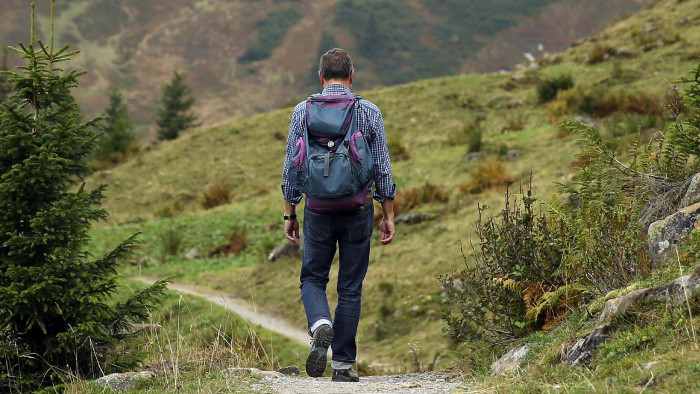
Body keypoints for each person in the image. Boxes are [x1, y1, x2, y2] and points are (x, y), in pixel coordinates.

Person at [281, 48, 396, 382]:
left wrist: (290, 214)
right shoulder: (368, 111)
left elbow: (292, 166)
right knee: (350, 286)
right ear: (352, 75)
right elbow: (383, 168)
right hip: (358, 209)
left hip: (317, 210)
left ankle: (320, 323)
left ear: (320, 77)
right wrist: (387, 213)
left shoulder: (302, 111)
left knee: (313, 278)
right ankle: (343, 366)